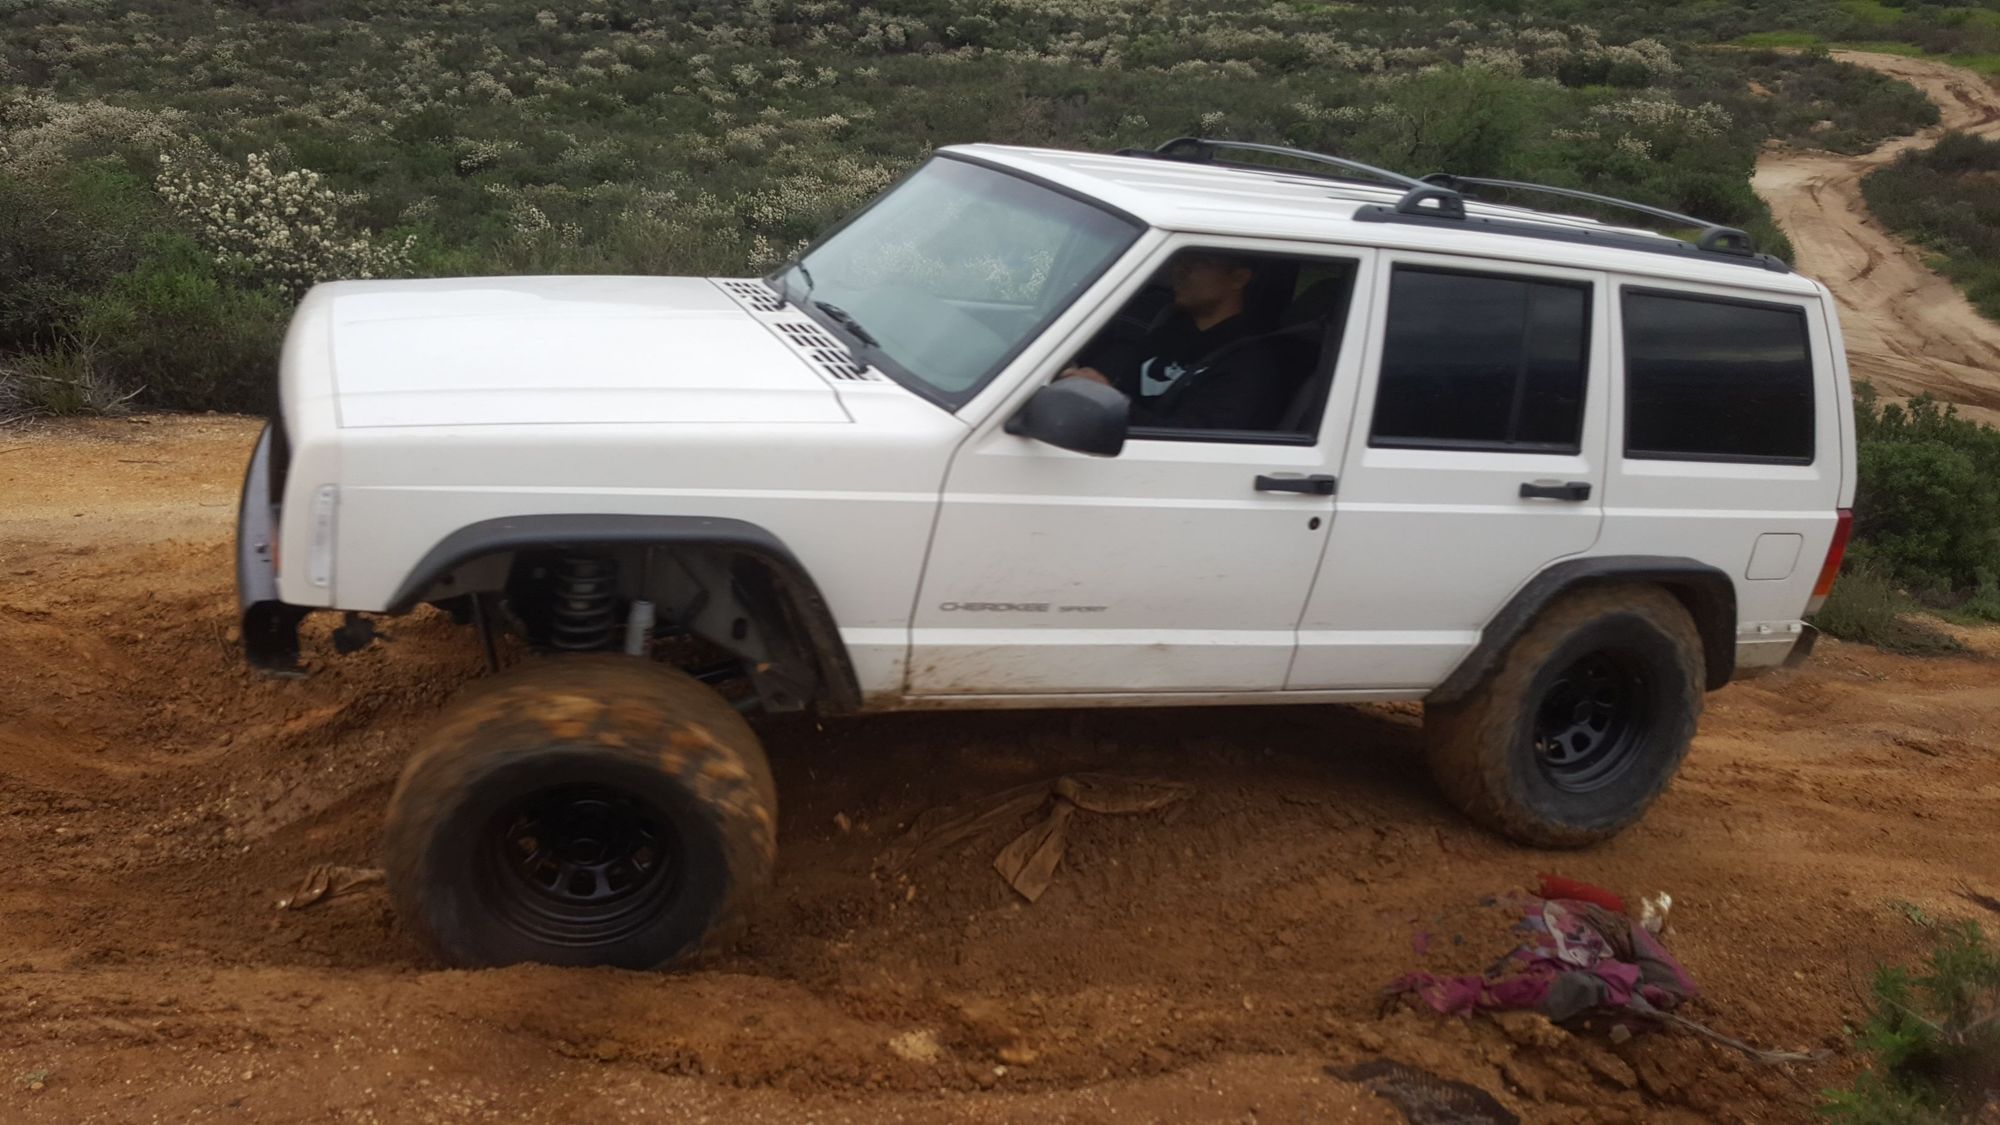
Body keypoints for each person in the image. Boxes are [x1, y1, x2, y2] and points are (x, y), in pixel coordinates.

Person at [1060, 250, 1295, 431]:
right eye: (1181, 260)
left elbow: (1192, 442)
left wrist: (1112, 402)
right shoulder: (1164, 334)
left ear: (1238, 278)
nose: (1180, 270)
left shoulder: (1249, 363)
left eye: (1199, 262)